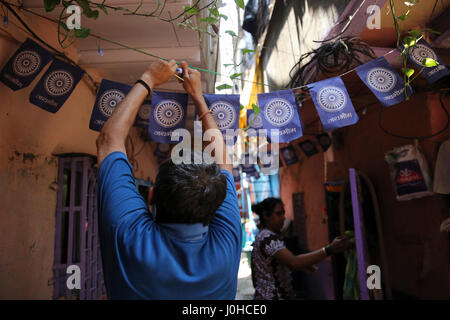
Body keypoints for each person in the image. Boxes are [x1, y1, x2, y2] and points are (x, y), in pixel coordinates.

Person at [95, 59, 242, 299]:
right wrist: (194, 97)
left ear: (152, 196)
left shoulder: (131, 236)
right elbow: (109, 142)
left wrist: (150, 79)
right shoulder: (226, 242)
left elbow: (108, 140)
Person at [250, 197, 352, 300]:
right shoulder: (267, 238)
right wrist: (329, 249)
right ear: (266, 215)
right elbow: (294, 262)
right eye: (278, 214)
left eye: (283, 213)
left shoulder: (263, 236)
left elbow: (280, 263)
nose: (283, 218)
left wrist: (302, 265)